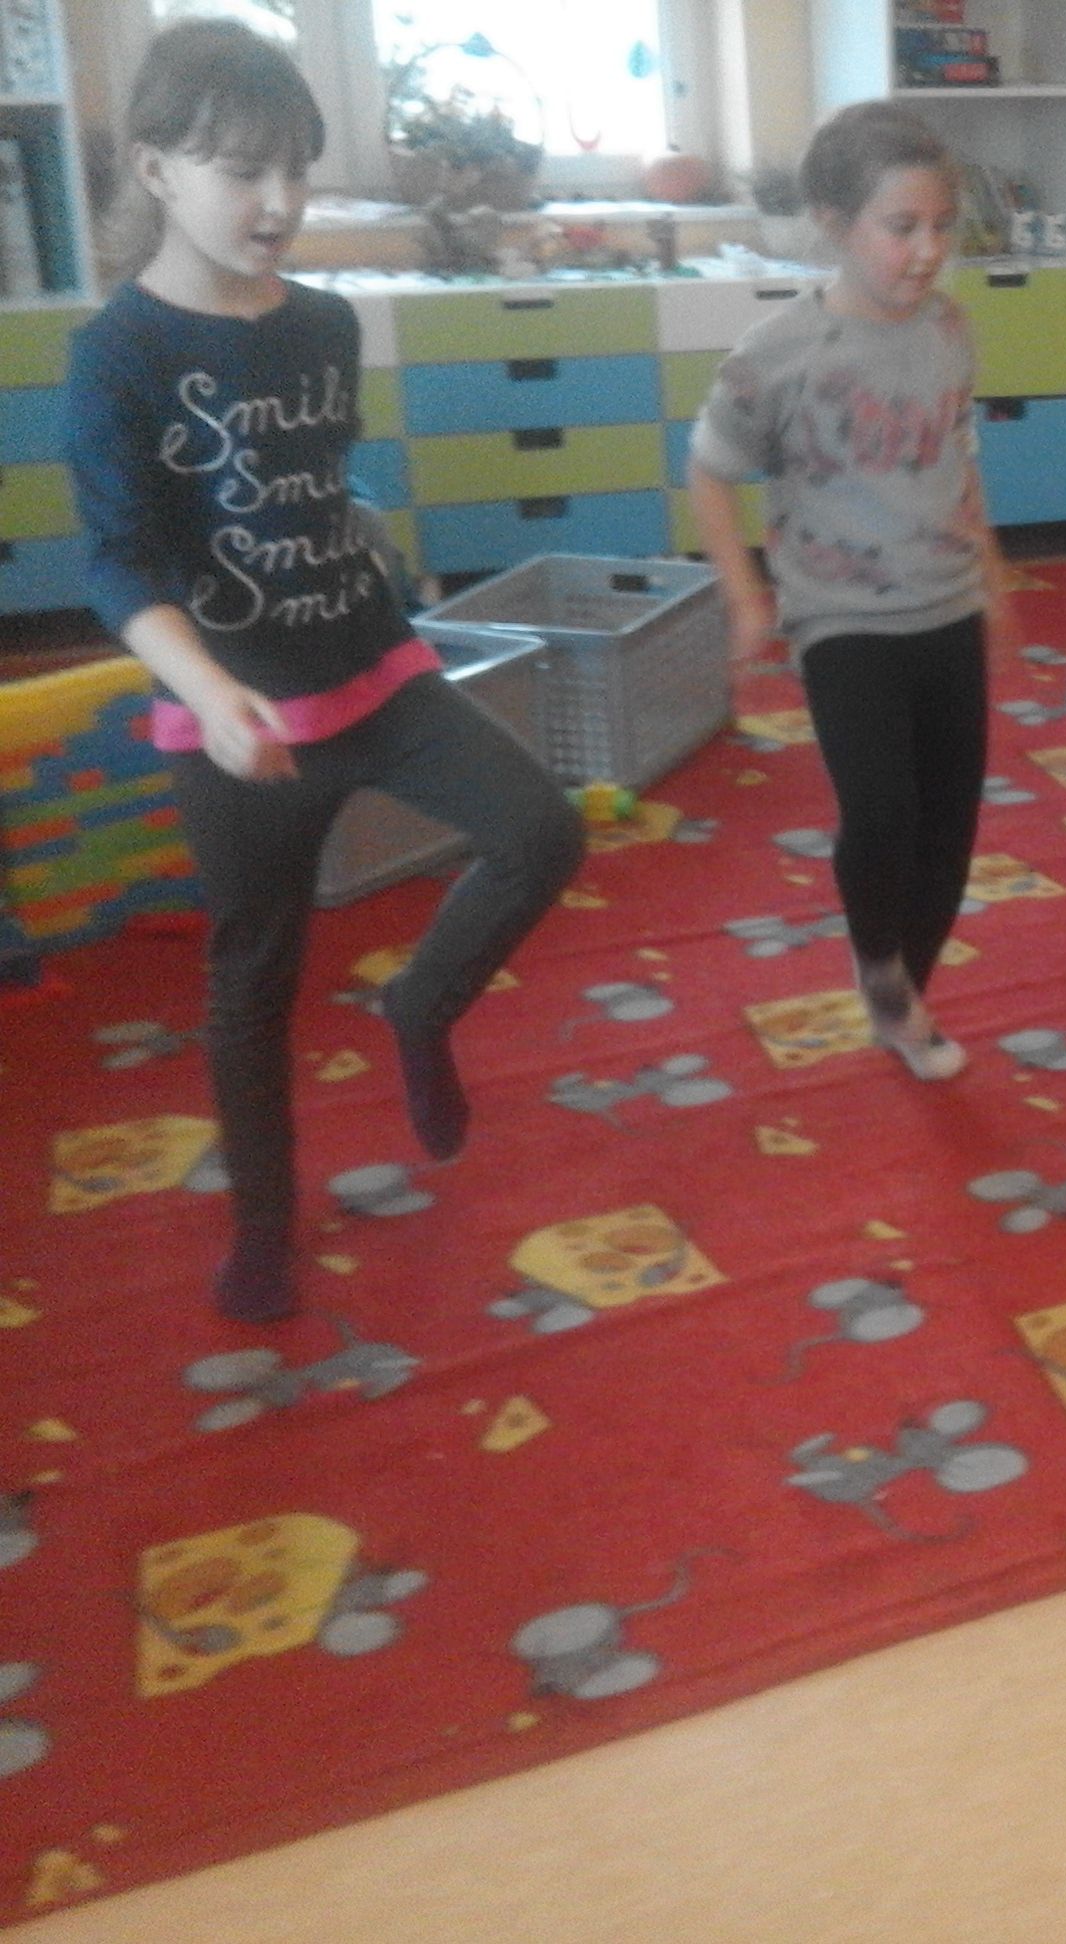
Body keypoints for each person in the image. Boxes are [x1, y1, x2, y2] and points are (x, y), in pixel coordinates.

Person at [65, 19, 584, 1324]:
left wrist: (378, 566)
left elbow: (313, 498)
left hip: (373, 667)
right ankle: (262, 1226)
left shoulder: (326, 324)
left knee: (542, 831)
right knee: (255, 976)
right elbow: (120, 564)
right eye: (244, 171)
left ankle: (420, 1007)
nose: (282, 201)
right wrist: (205, 691)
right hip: (235, 714)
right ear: (156, 171)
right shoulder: (117, 353)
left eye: (297, 167)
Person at [688, 102, 1017, 1083]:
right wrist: (747, 596)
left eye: (942, 226)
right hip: (840, 619)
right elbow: (709, 469)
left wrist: (993, 571)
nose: (928, 251)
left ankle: (903, 993)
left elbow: (958, 456)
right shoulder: (780, 352)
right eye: (901, 227)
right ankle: (882, 971)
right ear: (835, 223)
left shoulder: (949, 328)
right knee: (881, 813)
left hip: (945, 603)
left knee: (950, 826)